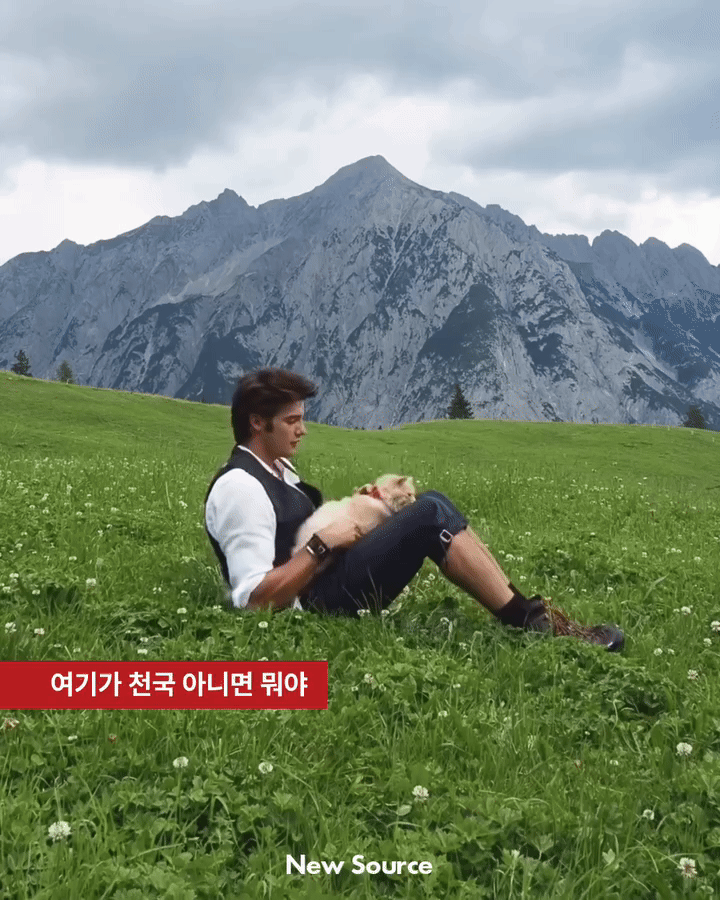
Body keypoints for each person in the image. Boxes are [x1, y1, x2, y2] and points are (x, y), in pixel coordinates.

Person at [204, 368, 624, 651]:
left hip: (327, 580)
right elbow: (253, 601)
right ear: (257, 422)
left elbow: (303, 533)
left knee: (431, 503)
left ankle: (530, 615)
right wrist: (320, 546)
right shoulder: (240, 487)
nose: (303, 430)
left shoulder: (278, 472)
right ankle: (533, 623)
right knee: (429, 514)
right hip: (313, 605)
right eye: (291, 421)